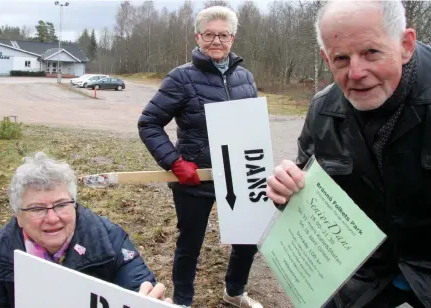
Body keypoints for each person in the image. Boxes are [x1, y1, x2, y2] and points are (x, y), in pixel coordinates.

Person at [266, 1, 431, 307]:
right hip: (370, 271)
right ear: (326, 58)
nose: (355, 73)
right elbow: (305, 188)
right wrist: (286, 191)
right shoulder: (323, 110)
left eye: (371, 53)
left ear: (405, 45)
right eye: (341, 58)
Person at [137, 5, 263, 308]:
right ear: (198, 36)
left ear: (233, 38)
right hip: (195, 177)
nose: (216, 41)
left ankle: (234, 292)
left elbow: (251, 126)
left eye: (223, 35)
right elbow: (149, 123)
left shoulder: (245, 77)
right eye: (209, 35)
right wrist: (174, 162)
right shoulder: (181, 78)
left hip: (240, 174)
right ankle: (182, 301)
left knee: (247, 240)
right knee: (189, 244)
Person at [0, 152, 173, 307]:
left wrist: (147, 300)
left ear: (75, 205)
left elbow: (137, 288)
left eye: (61, 205)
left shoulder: (110, 241)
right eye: (37, 208)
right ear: (18, 216)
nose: (52, 218)